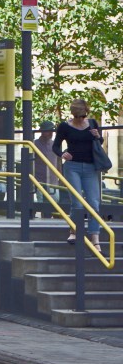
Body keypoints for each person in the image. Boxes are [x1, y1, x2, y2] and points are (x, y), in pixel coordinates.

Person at [53, 99, 103, 252]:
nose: (80, 119)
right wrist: (63, 154)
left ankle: (95, 237)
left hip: (90, 167)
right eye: (77, 117)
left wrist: (97, 136)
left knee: (94, 202)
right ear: (73, 114)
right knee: (77, 202)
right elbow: (56, 145)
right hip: (72, 166)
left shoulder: (93, 123)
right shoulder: (64, 126)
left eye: (83, 116)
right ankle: (74, 230)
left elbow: (99, 143)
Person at [33, 121, 61, 214]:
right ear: (42, 131)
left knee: (55, 202)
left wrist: (60, 178)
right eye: (48, 130)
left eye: (52, 130)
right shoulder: (34, 144)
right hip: (39, 179)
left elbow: (58, 161)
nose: (51, 133)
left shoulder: (54, 144)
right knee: (41, 202)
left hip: (53, 180)